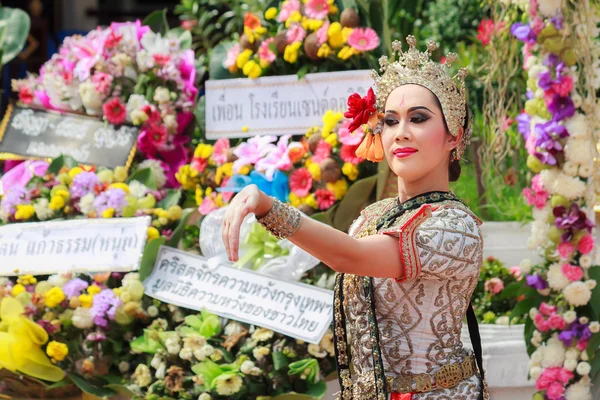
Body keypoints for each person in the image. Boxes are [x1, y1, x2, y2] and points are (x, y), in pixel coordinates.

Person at [221, 36, 488, 400]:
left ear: (453, 136)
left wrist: (269, 208)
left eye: (419, 118)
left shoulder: (456, 228)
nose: (401, 132)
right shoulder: (371, 216)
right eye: (390, 121)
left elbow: (351, 256)